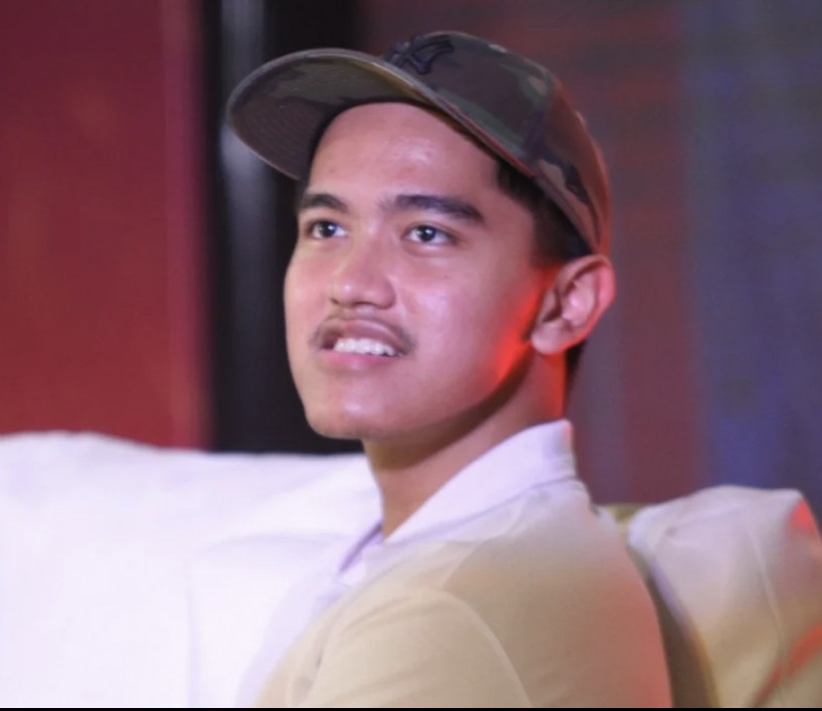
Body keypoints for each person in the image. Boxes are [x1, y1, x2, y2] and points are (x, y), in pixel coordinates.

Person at [225, 31, 673, 706]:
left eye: (426, 233)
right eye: (327, 228)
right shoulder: (426, 555)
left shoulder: (454, 607)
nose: (349, 284)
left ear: (566, 303)